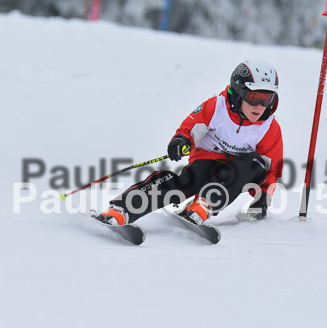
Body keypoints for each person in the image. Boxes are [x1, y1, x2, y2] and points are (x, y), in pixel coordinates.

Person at [96, 59, 284, 226]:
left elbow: (272, 168)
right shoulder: (217, 108)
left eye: (266, 99)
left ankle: (203, 205)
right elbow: (190, 128)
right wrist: (181, 141)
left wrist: (262, 199)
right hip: (208, 162)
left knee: (254, 163)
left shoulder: (268, 127)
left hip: (239, 173)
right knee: (183, 184)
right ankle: (123, 209)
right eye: (253, 97)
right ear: (238, 92)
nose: (260, 106)